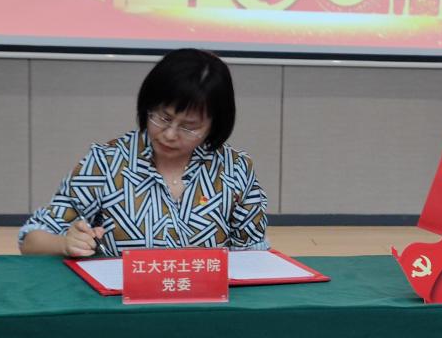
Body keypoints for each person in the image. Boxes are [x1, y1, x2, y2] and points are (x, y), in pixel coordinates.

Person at [20, 48, 268, 257]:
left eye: (188, 127)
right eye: (163, 118)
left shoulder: (235, 169)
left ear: (215, 125)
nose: (170, 134)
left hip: (208, 299)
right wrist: (65, 244)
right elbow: (31, 240)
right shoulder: (106, 162)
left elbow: (254, 253)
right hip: (120, 299)